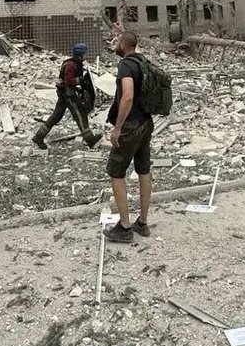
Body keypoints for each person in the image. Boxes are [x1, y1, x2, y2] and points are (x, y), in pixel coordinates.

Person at [104, 31, 154, 243]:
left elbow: (128, 96)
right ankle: (142, 222)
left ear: (124, 45)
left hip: (131, 126)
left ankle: (125, 227)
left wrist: (118, 128)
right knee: (144, 170)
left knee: (116, 172)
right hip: (146, 123)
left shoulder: (126, 65)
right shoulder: (144, 63)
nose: (115, 44)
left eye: (117, 41)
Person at [32, 42, 101, 149]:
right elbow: (69, 81)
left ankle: (38, 137)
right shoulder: (70, 65)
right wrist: (81, 80)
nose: (85, 56)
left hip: (66, 93)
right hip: (68, 95)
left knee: (56, 116)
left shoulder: (75, 63)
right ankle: (90, 139)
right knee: (80, 114)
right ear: (80, 54)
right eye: (84, 53)